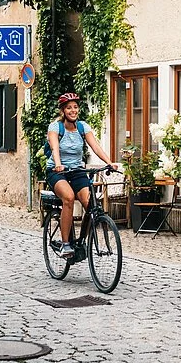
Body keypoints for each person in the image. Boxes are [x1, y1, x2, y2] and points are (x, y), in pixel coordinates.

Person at [46, 92, 116, 260]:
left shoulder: (83, 127)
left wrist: (109, 162)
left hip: (77, 171)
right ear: (63, 111)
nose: (73, 110)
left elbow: (95, 147)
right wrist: (58, 164)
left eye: (75, 107)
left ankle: (82, 240)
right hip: (57, 172)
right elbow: (55, 148)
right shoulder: (56, 127)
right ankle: (65, 244)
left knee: (90, 203)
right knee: (69, 198)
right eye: (69, 108)